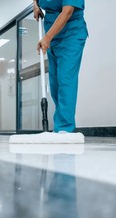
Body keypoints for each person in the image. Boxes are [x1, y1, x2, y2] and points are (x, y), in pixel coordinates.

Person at [33, 0, 88, 133]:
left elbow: (68, 10)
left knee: (65, 79)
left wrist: (47, 37)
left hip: (71, 33)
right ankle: (60, 125)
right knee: (55, 83)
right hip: (52, 36)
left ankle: (64, 128)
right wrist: (35, 5)